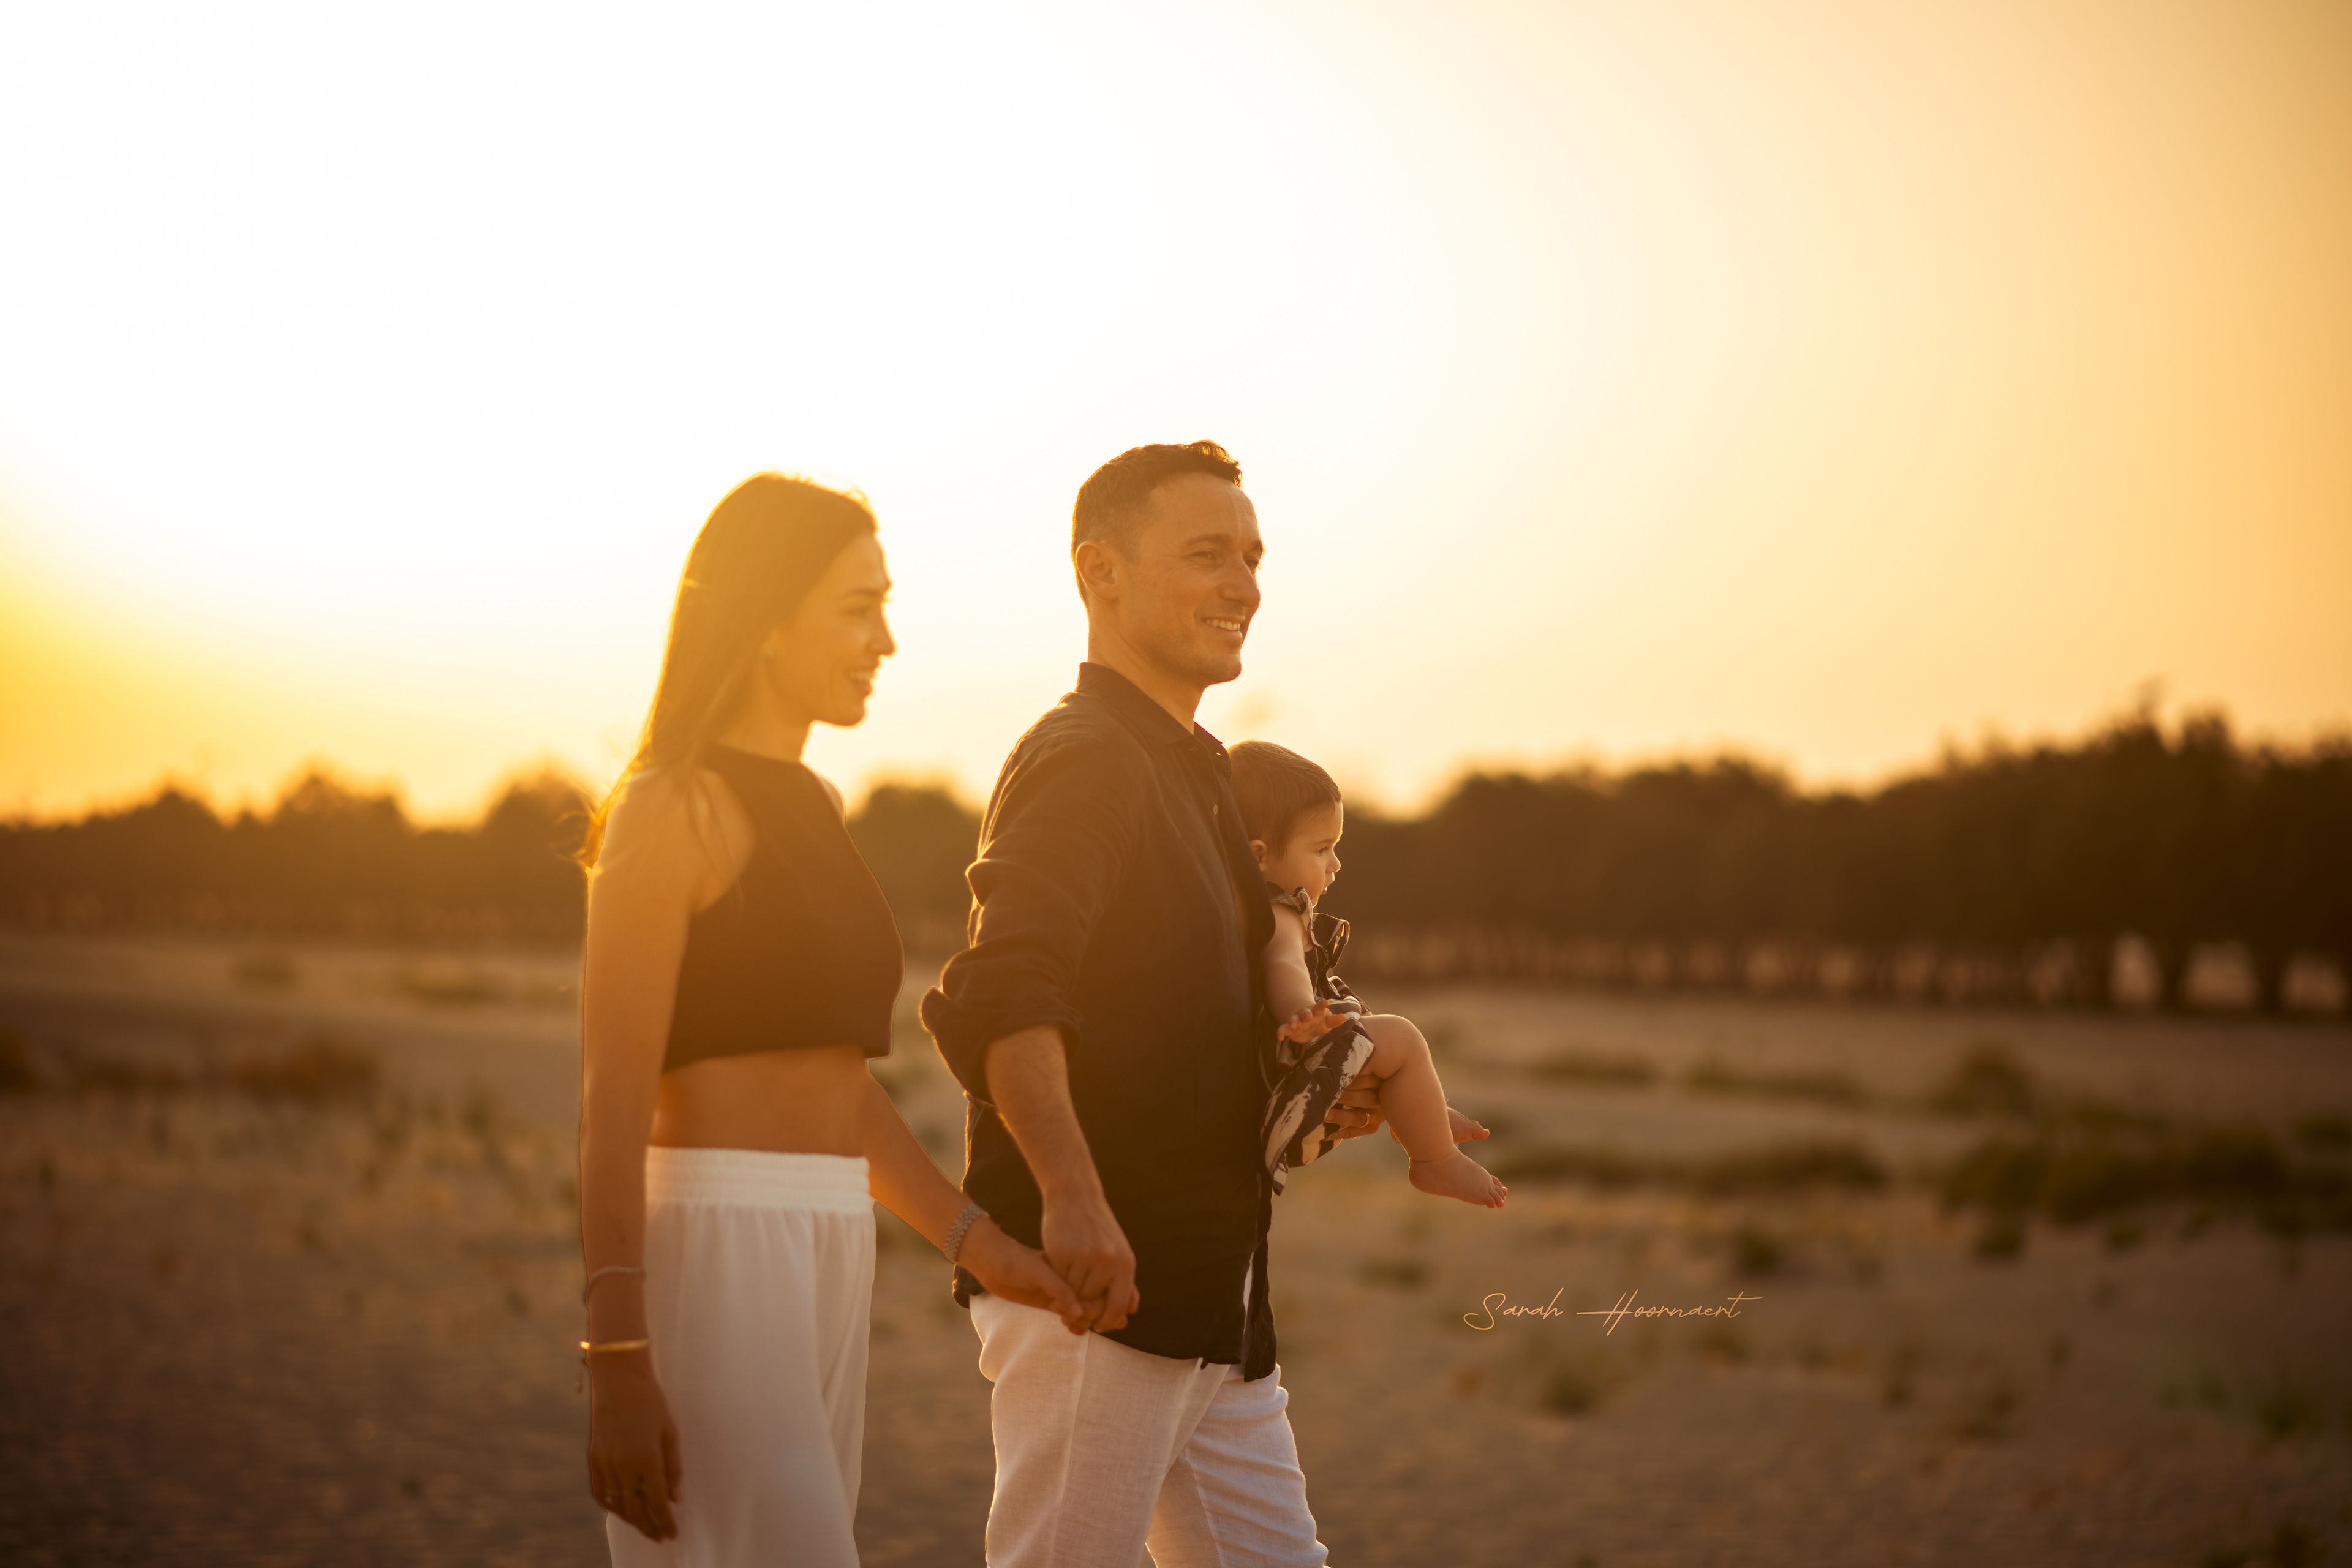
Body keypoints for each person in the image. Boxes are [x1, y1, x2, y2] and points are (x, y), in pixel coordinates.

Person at [920, 440, 1410, 1568]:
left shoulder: (1200, 769)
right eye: (1206, 554)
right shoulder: (1085, 756)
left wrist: (1310, 1095)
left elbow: (1200, 1020)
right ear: (1100, 573)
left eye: (1253, 558)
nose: (1243, 585)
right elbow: (1004, 992)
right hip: (1100, 1290)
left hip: (1213, 1297)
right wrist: (1072, 1197)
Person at [574, 473, 1079, 1566]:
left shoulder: (815, 804)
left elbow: (838, 1086)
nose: (885, 641)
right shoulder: (671, 807)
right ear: (765, 618)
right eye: (858, 608)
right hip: (715, 1240)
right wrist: (614, 1354)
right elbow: (612, 1096)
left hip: (830, 1238)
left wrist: (979, 1244)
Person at [1230, 739, 1507, 1206]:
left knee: (1369, 1027)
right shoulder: (1279, 913)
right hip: (1291, 1064)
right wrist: (1301, 1012)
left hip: (1286, 1067)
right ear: (1258, 856)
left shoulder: (1249, 908)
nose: (1335, 864)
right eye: (1321, 849)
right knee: (1401, 1037)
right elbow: (1283, 964)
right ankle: (1435, 1160)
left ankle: (1423, 1114)